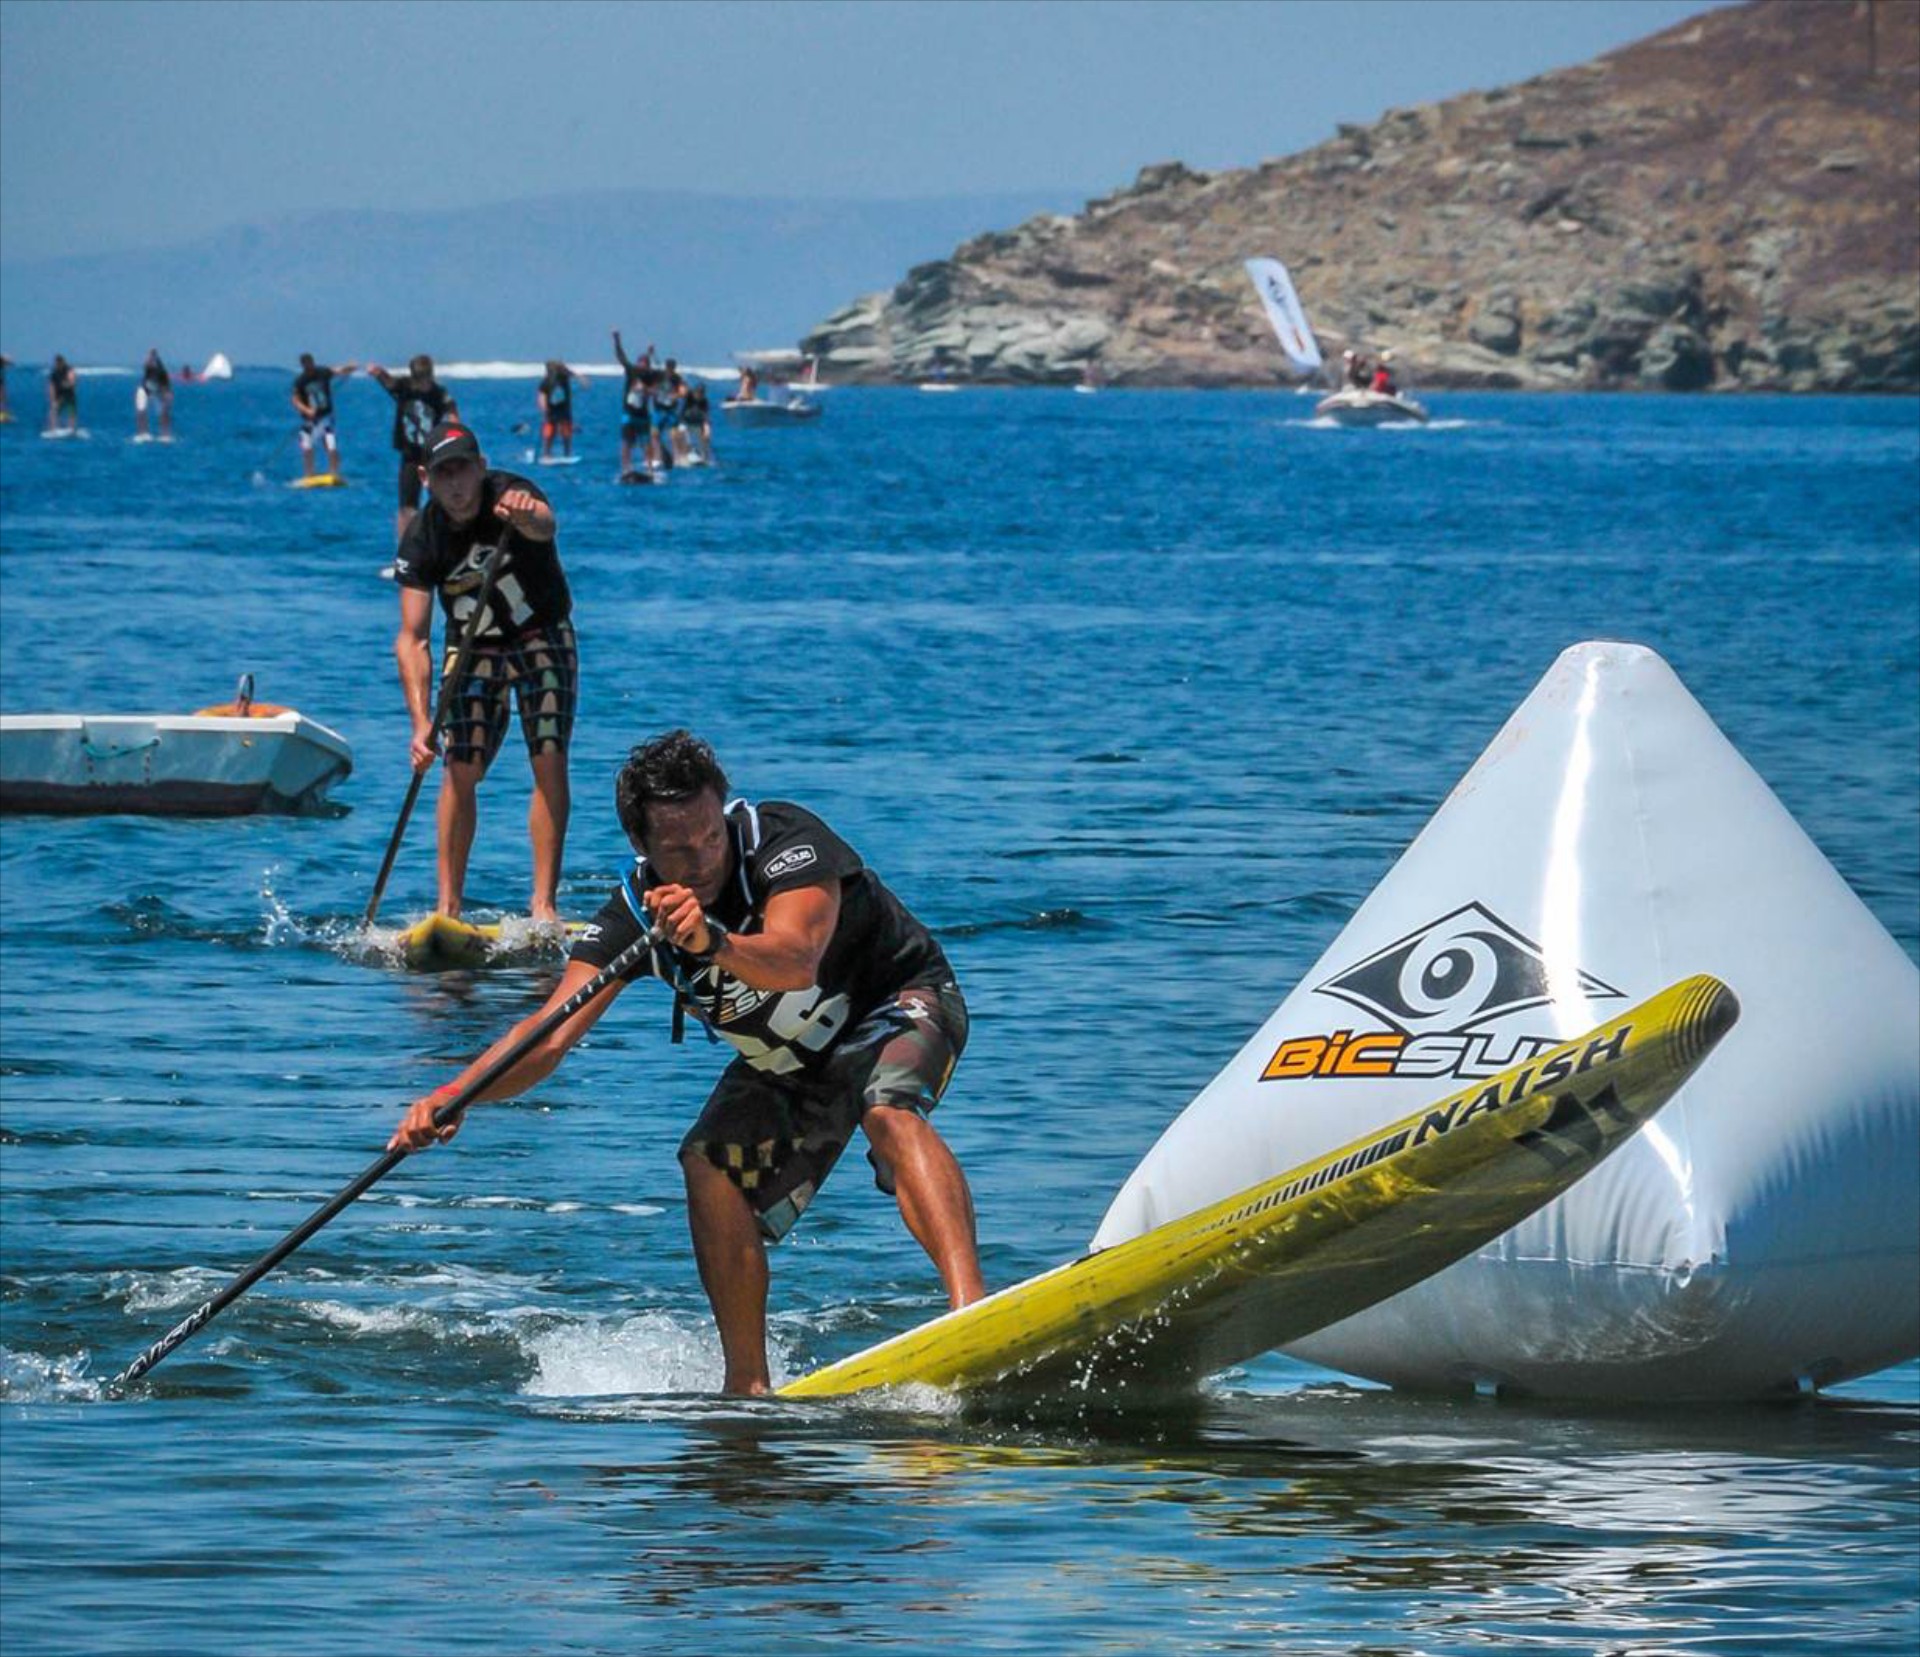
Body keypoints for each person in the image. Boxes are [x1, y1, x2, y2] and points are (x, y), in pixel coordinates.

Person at [388, 729, 986, 1395]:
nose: (703, 860)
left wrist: (711, 941)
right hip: (790, 1058)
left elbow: (796, 960)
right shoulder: (631, 914)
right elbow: (548, 1035)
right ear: (642, 846)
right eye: (679, 850)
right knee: (708, 1164)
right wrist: (457, 1094)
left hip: (898, 1000)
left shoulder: (785, 841)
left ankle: (972, 1315)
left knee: (887, 1109)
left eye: (710, 837)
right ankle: (747, 1386)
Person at [391, 419, 575, 924]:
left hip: (541, 635)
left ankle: (544, 905)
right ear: (426, 478)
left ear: (481, 467)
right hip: (474, 648)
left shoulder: (512, 494)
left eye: (463, 470)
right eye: (443, 474)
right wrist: (420, 723)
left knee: (548, 757)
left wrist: (528, 515)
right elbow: (412, 639)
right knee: (459, 768)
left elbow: (546, 525)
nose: (456, 484)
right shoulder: (422, 538)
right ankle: (448, 908)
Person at [368, 354, 459, 542]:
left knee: (440, 500)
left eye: (424, 379)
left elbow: (452, 412)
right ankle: (405, 549)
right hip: (410, 454)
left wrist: (455, 435)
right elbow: (388, 382)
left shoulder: (439, 394)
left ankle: (442, 543)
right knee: (407, 507)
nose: (421, 384)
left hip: (432, 454)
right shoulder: (404, 387)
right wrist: (378, 372)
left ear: (430, 376)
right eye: (417, 379)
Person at [292, 353, 359, 477]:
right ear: (303, 365)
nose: (309, 366)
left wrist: (350, 368)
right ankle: (309, 474)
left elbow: (338, 371)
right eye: (306, 364)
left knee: (330, 444)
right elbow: (295, 400)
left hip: (326, 417)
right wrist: (307, 410)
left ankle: (334, 472)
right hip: (310, 421)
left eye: (310, 362)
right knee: (307, 446)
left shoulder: (323, 372)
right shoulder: (300, 381)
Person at [612, 329, 660, 475]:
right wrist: (617, 340)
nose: (642, 366)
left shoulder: (650, 376)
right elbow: (621, 357)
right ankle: (626, 469)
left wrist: (644, 389)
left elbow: (655, 391)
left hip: (643, 416)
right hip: (629, 414)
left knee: (646, 443)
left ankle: (650, 470)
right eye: (640, 363)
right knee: (626, 442)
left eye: (644, 364)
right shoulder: (631, 371)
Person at [536, 360, 588, 459]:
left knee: (565, 431)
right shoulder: (546, 381)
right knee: (551, 431)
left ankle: (566, 453)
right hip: (552, 410)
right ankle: (547, 454)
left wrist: (582, 379)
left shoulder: (563, 377)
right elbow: (541, 395)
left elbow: (572, 374)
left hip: (563, 409)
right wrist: (544, 408)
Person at [653, 358, 686, 466]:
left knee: (673, 435)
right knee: (654, 433)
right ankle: (657, 457)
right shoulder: (659, 375)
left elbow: (682, 391)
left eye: (672, 368)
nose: (670, 370)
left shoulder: (677, 378)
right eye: (668, 367)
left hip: (671, 410)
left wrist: (676, 395)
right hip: (659, 409)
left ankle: (677, 458)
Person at [135, 349, 173, 440]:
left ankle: (165, 435)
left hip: (157, 393)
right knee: (141, 411)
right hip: (144, 390)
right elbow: (146, 364)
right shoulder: (149, 369)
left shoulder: (163, 374)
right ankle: (142, 433)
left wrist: (167, 401)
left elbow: (168, 391)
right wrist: (151, 355)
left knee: (163, 413)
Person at [45, 355, 79, 433]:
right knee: (53, 412)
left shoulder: (69, 370)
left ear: (63, 362)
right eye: (56, 363)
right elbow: (51, 387)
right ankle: (53, 429)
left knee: (71, 412)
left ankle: (71, 429)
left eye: (59, 363)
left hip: (69, 395)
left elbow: (73, 381)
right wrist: (52, 399)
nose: (58, 365)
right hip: (59, 395)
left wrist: (68, 384)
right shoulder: (54, 374)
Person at [683, 376, 713, 463]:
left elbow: (706, 417)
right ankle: (687, 454)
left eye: (701, 393)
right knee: (685, 436)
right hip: (687, 422)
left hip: (698, 423)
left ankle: (705, 456)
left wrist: (707, 431)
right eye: (698, 392)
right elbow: (684, 392)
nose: (699, 395)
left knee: (705, 437)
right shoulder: (689, 397)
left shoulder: (704, 402)